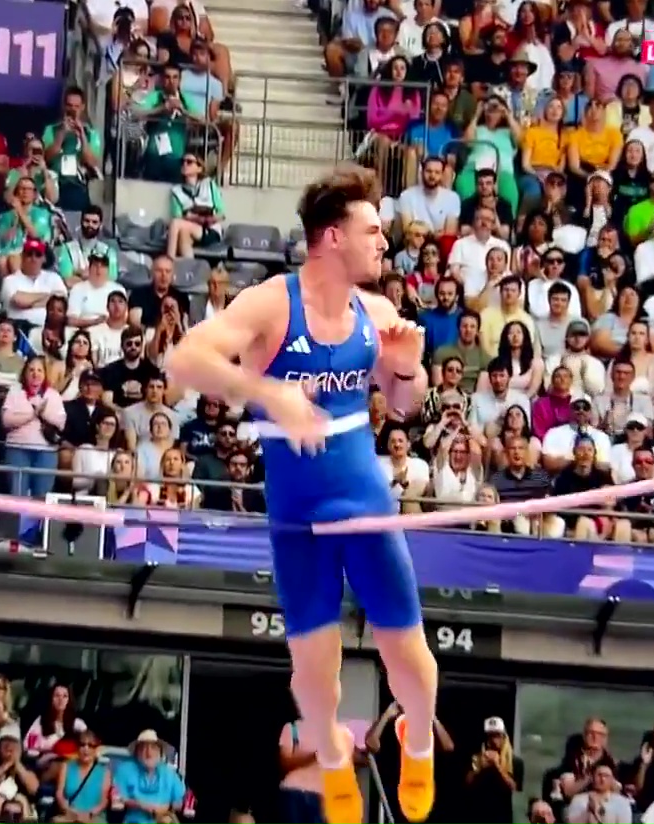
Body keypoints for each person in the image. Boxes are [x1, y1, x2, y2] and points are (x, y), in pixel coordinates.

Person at [167, 164, 437, 824]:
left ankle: (418, 739)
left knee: (410, 658)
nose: (385, 241)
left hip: (367, 509)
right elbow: (183, 361)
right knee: (315, 671)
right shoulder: (272, 304)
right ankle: (334, 761)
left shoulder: (375, 312)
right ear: (332, 237)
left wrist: (405, 369)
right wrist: (270, 394)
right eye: (372, 229)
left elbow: (406, 405)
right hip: (297, 516)